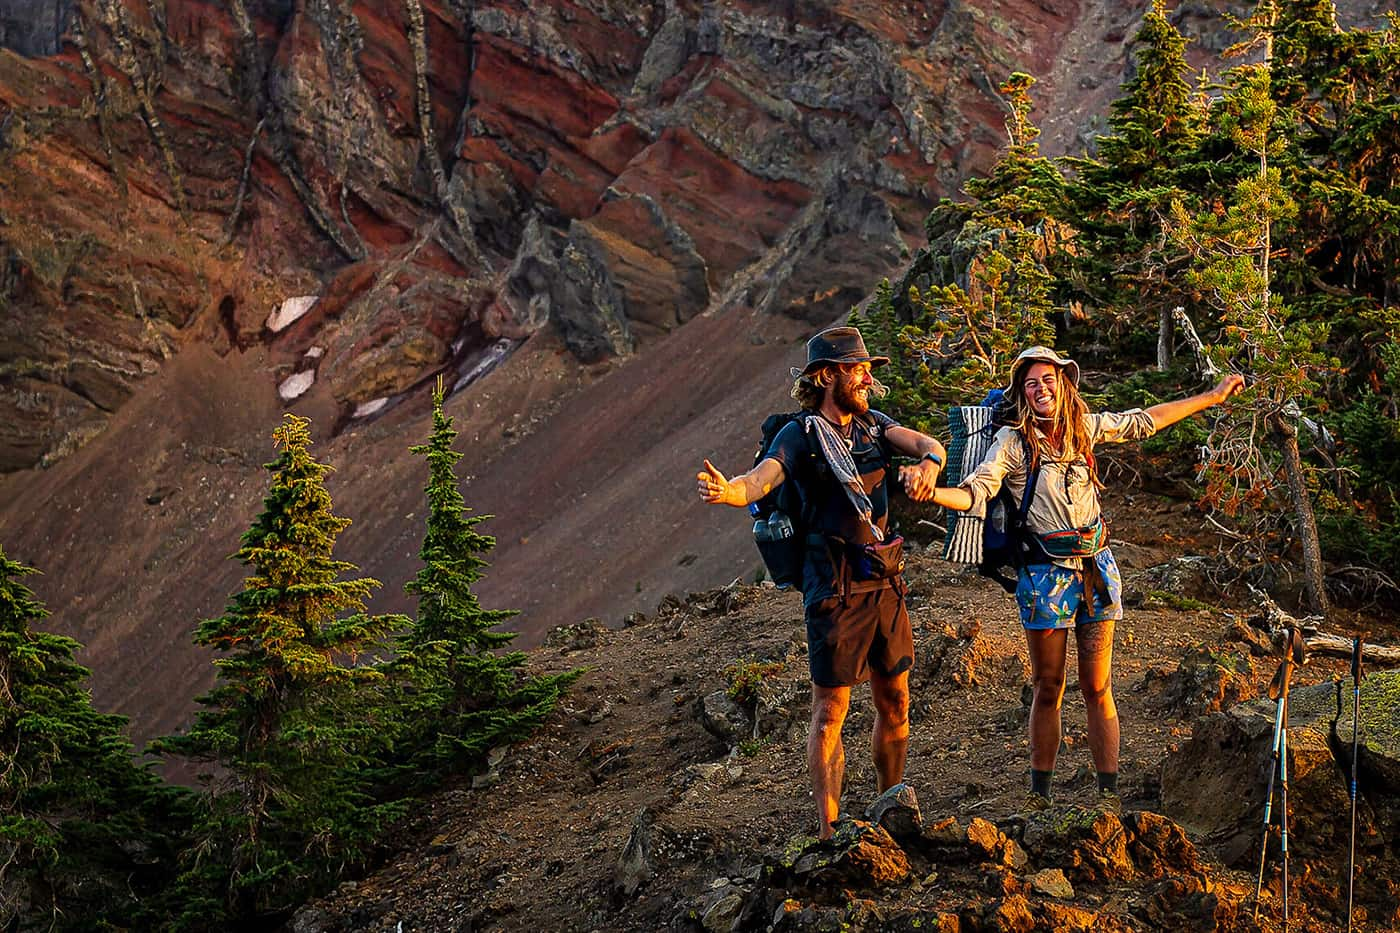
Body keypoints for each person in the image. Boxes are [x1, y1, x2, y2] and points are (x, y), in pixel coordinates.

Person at [929, 346, 1244, 809]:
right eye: (1031, 383)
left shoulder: (1084, 430)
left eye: (1049, 379)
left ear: (1065, 384)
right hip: (1045, 576)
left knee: (1099, 686)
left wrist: (1211, 398)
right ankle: (1040, 794)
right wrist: (936, 494)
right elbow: (979, 490)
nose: (1042, 388)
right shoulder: (1013, 443)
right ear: (1021, 393)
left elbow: (1144, 420)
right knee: (1048, 685)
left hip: (1096, 568)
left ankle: (1107, 793)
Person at [696, 326, 946, 839]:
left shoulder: (875, 426)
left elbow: (927, 442)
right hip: (833, 588)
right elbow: (760, 479)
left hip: (884, 580)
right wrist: (731, 493)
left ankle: (887, 808)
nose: (867, 377)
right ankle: (830, 832)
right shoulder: (799, 435)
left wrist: (930, 463)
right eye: (857, 369)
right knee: (831, 708)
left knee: (895, 698)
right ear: (827, 376)